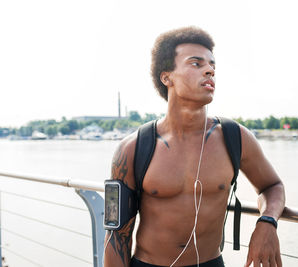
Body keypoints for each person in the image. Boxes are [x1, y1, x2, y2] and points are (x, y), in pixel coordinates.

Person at [104, 26, 285, 267]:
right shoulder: (131, 149)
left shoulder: (236, 137)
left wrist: (268, 222)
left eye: (212, 65)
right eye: (196, 64)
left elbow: (272, 186)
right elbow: (116, 233)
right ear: (167, 77)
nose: (210, 70)